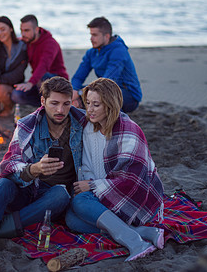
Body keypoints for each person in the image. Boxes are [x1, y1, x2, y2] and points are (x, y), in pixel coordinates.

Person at [0, 76, 86, 266]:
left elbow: (112, 117)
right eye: (54, 103)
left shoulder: (83, 123)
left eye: (66, 104)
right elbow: (8, 165)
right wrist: (33, 169)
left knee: (61, 193)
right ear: (43, 101)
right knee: (3, 183)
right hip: (27, 188)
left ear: (72, 102)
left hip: (52, 198)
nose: (60, 110)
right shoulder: (27, 125)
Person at [65, 78, 164, 261]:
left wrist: (93, 186)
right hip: (102, 191)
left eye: (96, 104)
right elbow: (86, 165)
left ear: (110, 105)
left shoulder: (129, 131)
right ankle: (143, 232)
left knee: (79, 203)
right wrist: (92, 187)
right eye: (87, 103)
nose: (90, 109)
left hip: (131, 195)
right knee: (71, 219)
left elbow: (132, 180)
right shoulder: (87, 127)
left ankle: (135, 242)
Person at [71, 17, 143, 113]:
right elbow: (78, 78)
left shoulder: (119, 51)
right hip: (104, 90)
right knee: (74, 101)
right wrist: (75, 91)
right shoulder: (92, 52)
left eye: (95, 35)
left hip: (128, 95)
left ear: (107, 36)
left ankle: (114, 123)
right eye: (91, 35)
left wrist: (80, 93)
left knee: (101, 99)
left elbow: (108, 81)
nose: (91, 39)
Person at [11, 14, 69, 107]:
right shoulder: (28, 41)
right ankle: (43, 107)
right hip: (38, 83)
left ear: (37, 29)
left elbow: (43, 66)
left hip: (58, 83)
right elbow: (13, 41)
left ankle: (51, 107)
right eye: (21, 30)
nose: (23, 34)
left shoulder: (50, 43)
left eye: (26, 30)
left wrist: (30, 83)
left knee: (44, 77)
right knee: (16, 94)